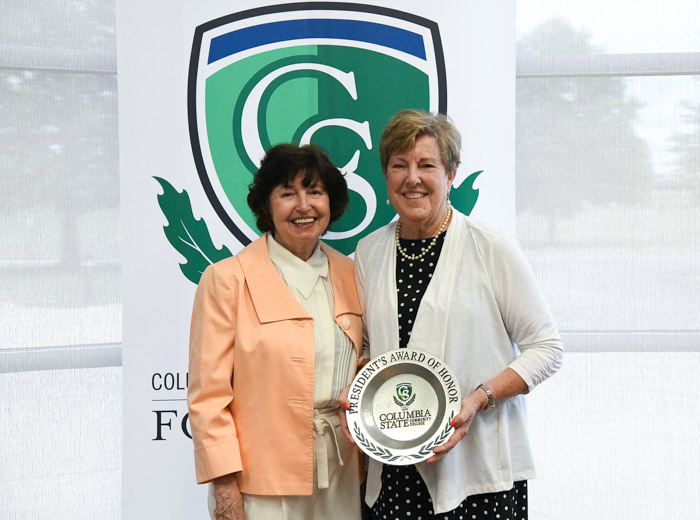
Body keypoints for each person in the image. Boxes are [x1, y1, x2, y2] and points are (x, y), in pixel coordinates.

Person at [340, 109, 563, 519]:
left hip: (476, 472)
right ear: (385, 175)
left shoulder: (489, 245)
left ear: (451, 173)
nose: (412, 178)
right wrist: (358, 391)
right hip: (392, 473)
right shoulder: (369, 252)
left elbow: (546, 348)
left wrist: (478, 399)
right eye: (399, 165)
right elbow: (372, 346)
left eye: (427, 165)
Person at [188, 143, 364, 520]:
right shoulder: (226, 280)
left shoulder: (352, 274)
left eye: (315, 192)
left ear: (330, 201)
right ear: (267, 206)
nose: (304, 206)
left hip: (343, 471)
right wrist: (224, 486)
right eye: (288, 194)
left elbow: (364, 362)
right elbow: (208, 395)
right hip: (259, 481)